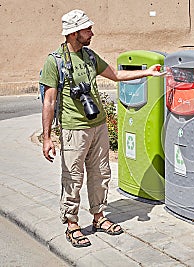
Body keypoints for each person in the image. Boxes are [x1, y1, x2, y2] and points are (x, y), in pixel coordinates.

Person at [40, 9, 164, 248]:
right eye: (87, 29)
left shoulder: (90, 56)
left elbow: (116, 75)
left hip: (98, 126)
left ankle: (99, 217)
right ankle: (72, 223)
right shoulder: (54, 61)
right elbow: (49, 101)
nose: (92, 33)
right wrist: (47, 138)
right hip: (73, 129)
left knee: (100, 173)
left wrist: (148, 72)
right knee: (73, 177)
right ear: (75, 33)